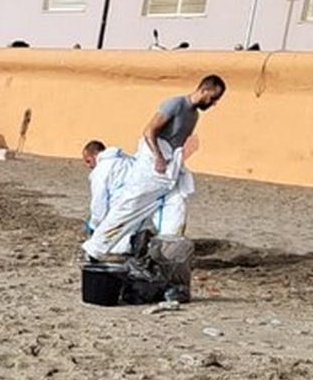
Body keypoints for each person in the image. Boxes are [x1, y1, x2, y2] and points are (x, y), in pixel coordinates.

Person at [84, 75, 225, 259]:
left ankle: (167, 257)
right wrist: (158, 157)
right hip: (152, 167)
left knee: (176, 206)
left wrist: (178, 160)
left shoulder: (194, 115)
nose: (213, 103)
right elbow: (149, 131)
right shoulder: (175, 104)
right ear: (204, 90)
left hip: (170, 171)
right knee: (130, 208)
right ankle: (94, 249)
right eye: (213, 98)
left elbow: (177, 144)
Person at [83, 138, 137, 236]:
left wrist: (94, 224)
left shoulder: (101, 171)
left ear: (95, 155)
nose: (88, 166)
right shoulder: (129, 160)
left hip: (119, 210)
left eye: (88, 161)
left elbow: (99, 202)